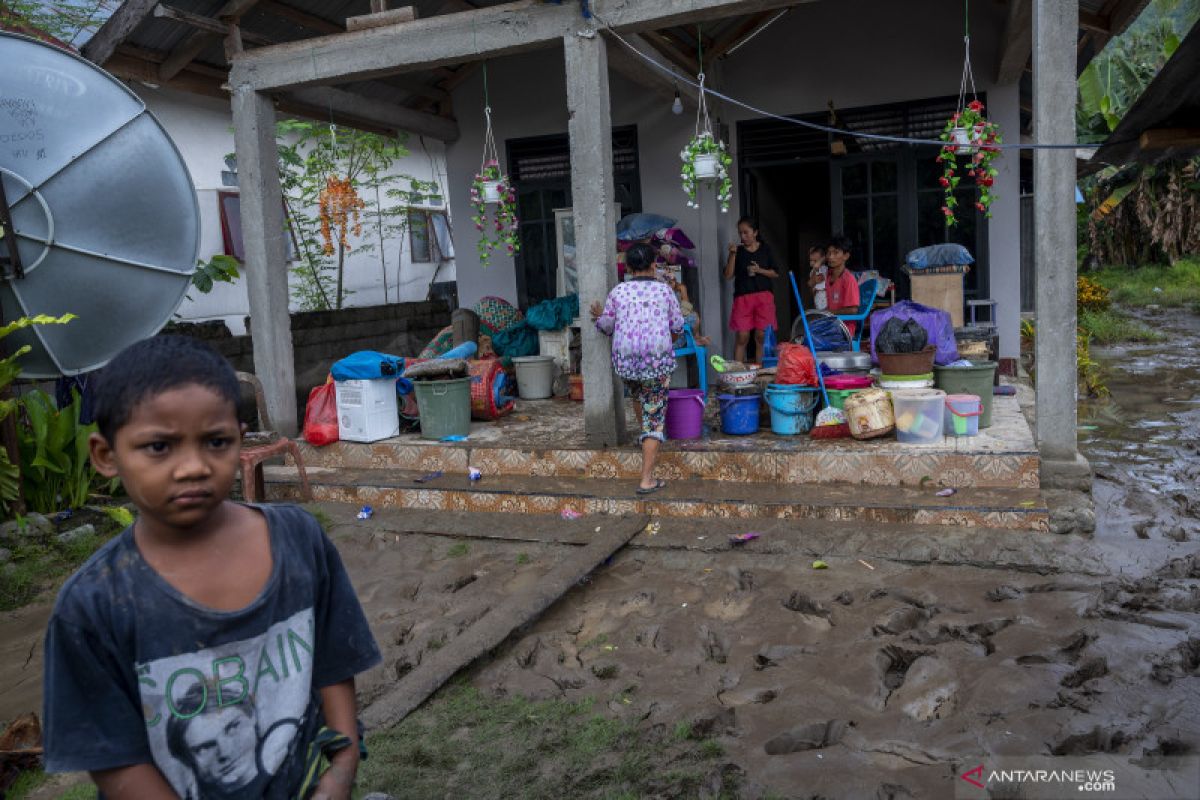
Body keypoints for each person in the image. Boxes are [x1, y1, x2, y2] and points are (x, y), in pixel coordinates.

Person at [42, 335, 381, 800]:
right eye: (159, 447)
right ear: (106, 455)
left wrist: (341, 768)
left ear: (239, 439)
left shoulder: (300, 541)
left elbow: (334, 660)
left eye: (216, 441)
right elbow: (114, 760)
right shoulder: (93, 605)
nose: (193, 467)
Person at [591, 242, 684, 495]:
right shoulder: (665, 291)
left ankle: (645, 437)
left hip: (626, 364)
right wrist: (668, 339)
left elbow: (606, 326)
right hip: (656, 363)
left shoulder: (618, 292)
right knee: (655, 419)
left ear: (629, 267)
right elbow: (677, 326)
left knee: (638, 396)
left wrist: (598, 317)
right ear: (654, 265)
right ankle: (647, 479)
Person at [724, 217, 780, 363]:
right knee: (742, 336)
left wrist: (759, 270)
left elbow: (775, 272)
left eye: (746, 233)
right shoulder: (738, 251)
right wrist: (732, 254)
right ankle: (738, 372)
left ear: (755, 232)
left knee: (761, 336)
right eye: (740, 233)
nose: (743, 237)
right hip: (743, 298)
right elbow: (728, 275)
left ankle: (760, 372)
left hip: (763, 297)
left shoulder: (765, 249)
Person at [825, 235, 861, 336]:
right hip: (829, 325)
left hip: (844, 330)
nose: (830, 257)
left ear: (846, 256)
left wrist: (829, 312)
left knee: (811, 339)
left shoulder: (849, 279)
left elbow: (853, 310)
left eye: (835, 253)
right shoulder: (827, 276)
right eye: (829, 253)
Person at [805, 245, 829, 311]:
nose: (812, 263)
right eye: (811, 260)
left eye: (815, 261)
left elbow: (820, 278)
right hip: (817, 297)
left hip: (825, 297)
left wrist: (818, 264)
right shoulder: (812, 272)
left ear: (822, 259)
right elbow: (811, 283)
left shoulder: (825, 269)